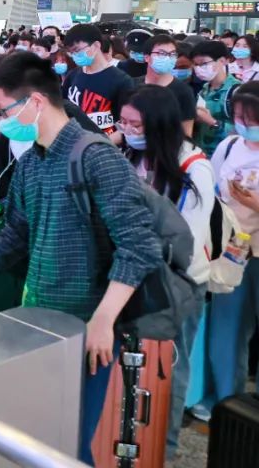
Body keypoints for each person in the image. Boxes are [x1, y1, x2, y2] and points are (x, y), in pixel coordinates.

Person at [0, 52, 161, 466]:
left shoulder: (96, 157)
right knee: (40, 435)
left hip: (88, 328)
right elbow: (15, 238)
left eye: (2, 109)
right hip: (40, 320)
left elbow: (139, 245)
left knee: (68, 444)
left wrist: (104, 321)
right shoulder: (32, 163)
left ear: (36, 102)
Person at [117, 85, 213, 460]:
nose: (127, 129)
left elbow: (186, 241)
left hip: (177, 284)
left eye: (135, 123)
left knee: (169, 368)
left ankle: (165, 449)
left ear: (158, 125)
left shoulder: (193, 167)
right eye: (123, 122)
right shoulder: (130, 155)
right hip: (134, 276)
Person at [207, 82, 259, 407]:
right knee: (226, 333)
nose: (243, 124)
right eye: (238, 116)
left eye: (251, 119)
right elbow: (211, 194)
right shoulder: (228, 146)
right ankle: (229, 402)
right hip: (233, 252)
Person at [61, 24, 133, 138]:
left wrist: (103, 144)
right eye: (71, 53)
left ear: (96, 45)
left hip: (104, 146)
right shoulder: (73, 76)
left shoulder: (121, 81)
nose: (75, 56)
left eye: (77, 50)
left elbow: (127, 127)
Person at [138, 34, 197, 137]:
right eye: (161, 53)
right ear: (147, 57)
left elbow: (186, 133)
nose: (167, 58)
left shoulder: (183, 92)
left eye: (172, 54)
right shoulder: (133, 86)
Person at [193, 40, 239, 157]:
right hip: (202, 154)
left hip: (225, 157)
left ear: (222, 61)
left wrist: (212, 122)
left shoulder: (236, 91)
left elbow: (244, 132)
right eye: (195, 64)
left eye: (203, 64)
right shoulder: (205, 88)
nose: (198, 68)